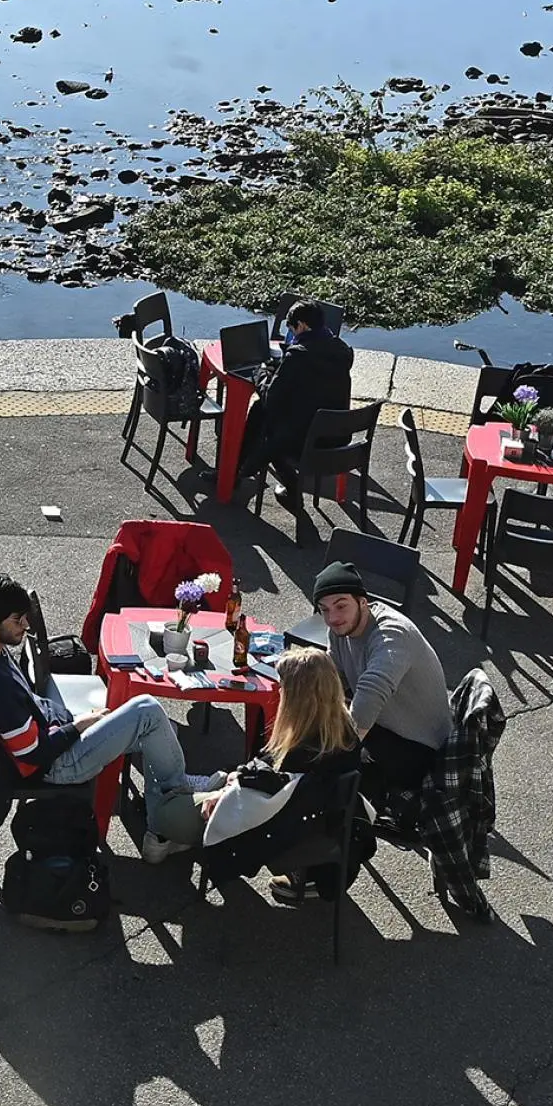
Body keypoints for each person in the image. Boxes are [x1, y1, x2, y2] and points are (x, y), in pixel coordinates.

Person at [0, 571, 201, 861]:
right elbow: (33, 751)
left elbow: (31, 715)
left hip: (52, 740)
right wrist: (77, 726)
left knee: (159, 727)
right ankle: (172, 809)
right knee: (148, 712)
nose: (25, 625)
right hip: (55, 764)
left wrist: (70, 718)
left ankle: (163, 824)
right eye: (16, 619)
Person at [190, 648, 365, 900]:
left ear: (298, 697)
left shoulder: (304, 751)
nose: (280, 691)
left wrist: (235, 783)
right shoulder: (342, 729)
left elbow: (267, 788)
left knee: (183, 811)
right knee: (218, 783)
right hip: (327, 822)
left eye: (283, 686)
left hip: (295, 829)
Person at [312, 562, 454, 811]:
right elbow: (334, 678)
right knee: (313, 741)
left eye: (341, 605)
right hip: (383, 725)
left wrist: (331, 755)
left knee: (333, 778)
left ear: (363, 602)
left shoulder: (392, 635)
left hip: (419, 745)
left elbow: (370, 693)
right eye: (324, 610)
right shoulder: (340, 628)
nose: (332, 618)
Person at [235, 300, 355, 542]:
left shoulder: (297, 357)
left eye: (291, 328)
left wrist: (261, 373)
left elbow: (271, 396)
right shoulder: (343, 350)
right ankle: (244, 468)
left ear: (301, 326)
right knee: (266, 415)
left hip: (306, 444)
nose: (290, 333)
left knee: (263, 415)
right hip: (338, 437)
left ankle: (246, 472)